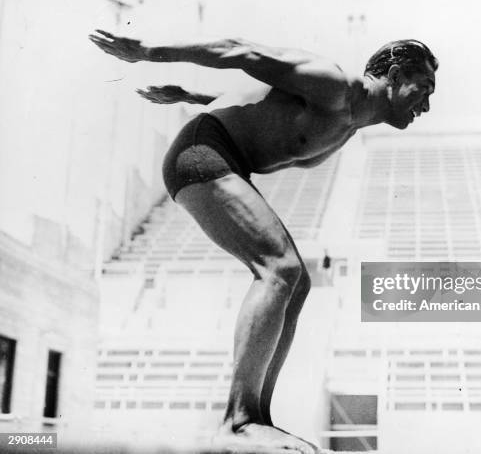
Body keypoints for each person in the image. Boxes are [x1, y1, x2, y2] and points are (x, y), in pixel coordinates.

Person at [89, 30, 437, 454]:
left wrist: (192, 95)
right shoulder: (334, 84)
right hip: (203, 152)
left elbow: (264, 102)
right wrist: (147, 52)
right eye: (425, 89)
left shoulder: (349, 125)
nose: (428, 104)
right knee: (280, 269)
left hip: (224, 157)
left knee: (298, 282)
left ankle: (257, 419)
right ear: (397, 74)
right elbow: (242, 52)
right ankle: (237, 421)